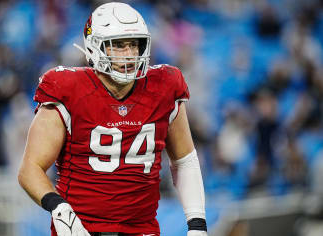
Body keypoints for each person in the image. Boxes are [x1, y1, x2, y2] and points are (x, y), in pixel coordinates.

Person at [18, 2, 207, 236]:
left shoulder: (165, 85)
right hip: (81, 230)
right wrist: (58, 207)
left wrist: (197, 224)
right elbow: (30, 169)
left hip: (142, 230)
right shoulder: (67, 89)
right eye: (117, 45)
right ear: (95, 47)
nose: (129, 54)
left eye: (134, 45)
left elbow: (184, 160)